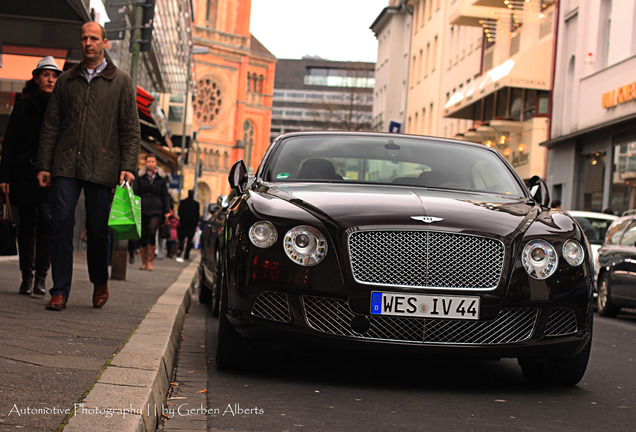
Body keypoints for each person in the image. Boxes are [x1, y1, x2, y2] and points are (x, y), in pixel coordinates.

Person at [36, 22, 140, 311]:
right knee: (61, 223)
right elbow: (51, 125)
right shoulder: (67, 80)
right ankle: (59, 291)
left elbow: (130, 129)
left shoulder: (120, 81)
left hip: (102, 163)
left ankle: (99, 281)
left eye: (94, 38)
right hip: (66, 163)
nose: (88, 43)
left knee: (96, 231)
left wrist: (129, 165)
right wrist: (45, 164)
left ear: (104, 42)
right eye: (83, 38)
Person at [0, 57, 62, 296]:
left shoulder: (60, 105)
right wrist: (4, 175)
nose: (50, 79)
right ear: (36, 78)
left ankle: (41, 277)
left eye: (54, 76)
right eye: (46, 75)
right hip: (24, 171)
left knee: (46, 219)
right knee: (26, 222)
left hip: (50, 172)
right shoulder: (23, 104)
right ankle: (27, 276)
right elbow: (11, 140)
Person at [133, 153, 171, 271]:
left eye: (153, 161)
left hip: (156, 207)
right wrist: (135, 208)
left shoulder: (161, 177)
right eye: (148, 161)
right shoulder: (140, 176)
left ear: (156, 163)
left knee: (152, 232)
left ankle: (150, 261)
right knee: (143, 234)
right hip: (143, 206)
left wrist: (167, 211)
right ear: (145, 163)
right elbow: (136, 193)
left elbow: (165, 194)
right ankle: (144, 261)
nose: (151, 164)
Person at [176, 189, 200, 262]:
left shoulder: (183, 202)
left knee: (182, 238)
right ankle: (186, 254)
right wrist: (196, 223)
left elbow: (179, 212)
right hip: (192, 224)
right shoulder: (196, 204)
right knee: (190, 240)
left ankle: (180, 250)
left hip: (183, 223)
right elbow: (197, 215)